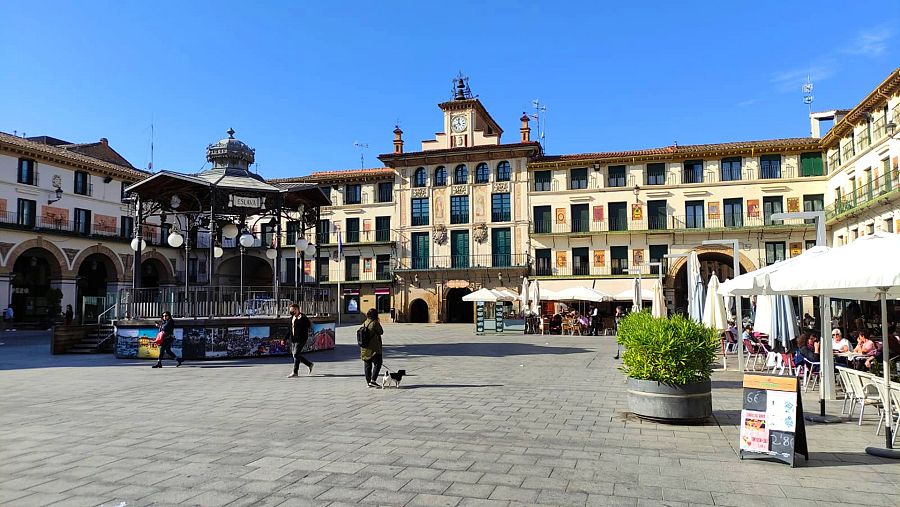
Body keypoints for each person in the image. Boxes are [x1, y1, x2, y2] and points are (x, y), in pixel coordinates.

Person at [287, 303, 314, 378]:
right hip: (293, 339)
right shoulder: (292, 318)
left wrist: (301, 320)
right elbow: (289, 329)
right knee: (295, 355)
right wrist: (284, 339)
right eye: (290, 310)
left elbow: (308, 325)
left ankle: (295, 372)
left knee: (295, 354)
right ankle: (308, 365)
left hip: (301, 339)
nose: (291, 312)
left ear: (297, 309)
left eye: (292, 310)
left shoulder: (303, 317)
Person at [359, 308, 384, 388]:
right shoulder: (375, 323)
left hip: (365, 347)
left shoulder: (365, 322)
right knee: (378, 363)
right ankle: (373, 380)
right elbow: (381, 332)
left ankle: (368, 381)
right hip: (374, 347)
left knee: (367, 365)